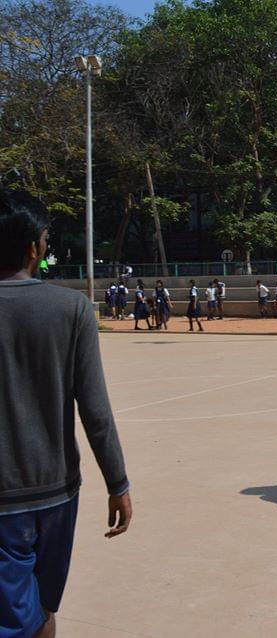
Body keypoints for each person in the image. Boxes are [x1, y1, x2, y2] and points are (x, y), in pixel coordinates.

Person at [0, 188, 132, 638]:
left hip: (6, 499)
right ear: (35, 245)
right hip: (57, 493)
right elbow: (95, 409)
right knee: (41, 609)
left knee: (21, 615)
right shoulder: (70, 308)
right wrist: (118, 483)